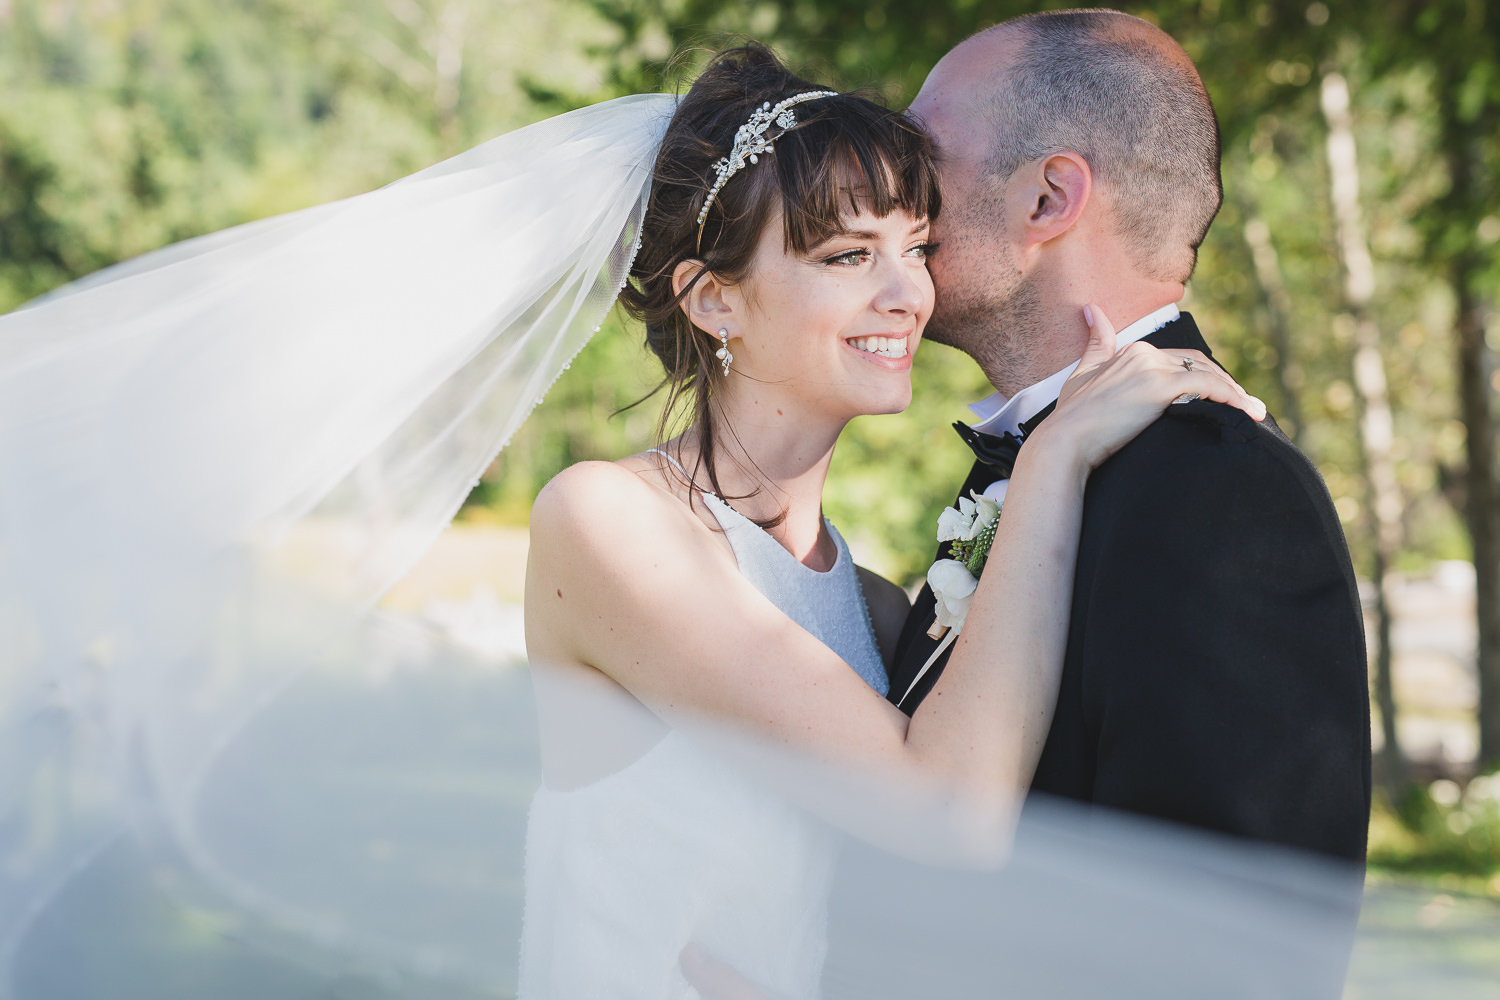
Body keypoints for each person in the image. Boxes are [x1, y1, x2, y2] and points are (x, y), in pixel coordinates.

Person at [518, 43, 1264, 998]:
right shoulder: (608, 522)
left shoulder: (869, 610)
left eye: (915, 245)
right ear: (714, 300)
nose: (906, 292)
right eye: (846, 256)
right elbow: (947, 814)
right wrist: (1056, 453)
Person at [888, 11, 1372, 863]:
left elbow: (1225, 950)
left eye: (919, 161)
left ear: (1047, 198)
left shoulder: (1218, 493)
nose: (890, 198)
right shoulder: (1038, 462)